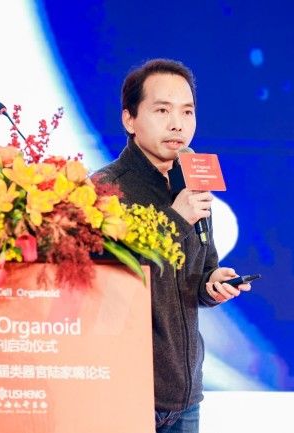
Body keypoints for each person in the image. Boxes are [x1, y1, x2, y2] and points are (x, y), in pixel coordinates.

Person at [94, 58, 252, 433]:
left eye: (187, 111)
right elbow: (109, 290)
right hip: (125, 393)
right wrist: (177, 218)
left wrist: (212, 284)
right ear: (129, 119)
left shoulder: (192, 180)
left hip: (185, 396)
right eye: (162, 110)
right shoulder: (105, 189)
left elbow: (198, 272)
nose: (177, 124)